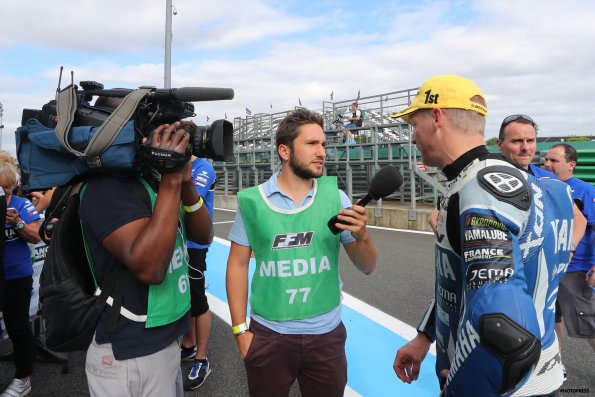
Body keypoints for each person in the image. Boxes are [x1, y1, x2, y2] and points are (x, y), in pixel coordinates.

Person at [390, 74, 580, 396]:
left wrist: (462, 387)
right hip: (543, 371)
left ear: (436, 118)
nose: (412, 137)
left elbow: (504, 329)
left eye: (414, 123)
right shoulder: (551, 189)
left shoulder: (480, 186)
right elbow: (469, 281)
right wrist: (425, 336)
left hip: (506, 385)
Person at [226, 108, 377, 397]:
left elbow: (367, 267)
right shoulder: (252, 202)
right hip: (269, 335)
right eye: (311, 144)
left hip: (326, 336)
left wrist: (363, 235)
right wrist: (239, 331)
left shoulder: (337, 197)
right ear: (285, 150)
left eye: (323, 144)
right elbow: (237, 266)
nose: (321, 151)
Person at [79, 121, 213, 397]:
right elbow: (151, 270)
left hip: (164, 340)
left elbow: (203, 234)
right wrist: (172, 179)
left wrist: (184, 182)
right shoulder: (108, 187)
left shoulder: (154, 181)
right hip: (129, 351)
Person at [544, 144, 595, 353]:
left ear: (571, 165)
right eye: (546, 160)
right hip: (547, 268)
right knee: (550, 320)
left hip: (576, 270)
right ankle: (557, 368)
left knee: (589, 326)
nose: (547, 164)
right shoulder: (541, 187)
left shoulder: (585, 191)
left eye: (554, 161)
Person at [1, 161, 41, 397]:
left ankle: (23, 378)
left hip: (17, 276)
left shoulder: (21, 203)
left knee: (18, 327)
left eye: (8, 189)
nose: (6, 195)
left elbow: (36, 236)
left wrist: (17, 222)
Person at [179, 142, 217, 390]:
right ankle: (188, 346)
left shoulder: (203, 167)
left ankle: (202, 360)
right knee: (183, 298)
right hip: (174, 240)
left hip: (194, 244)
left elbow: (191, 201)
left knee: (197, 300)